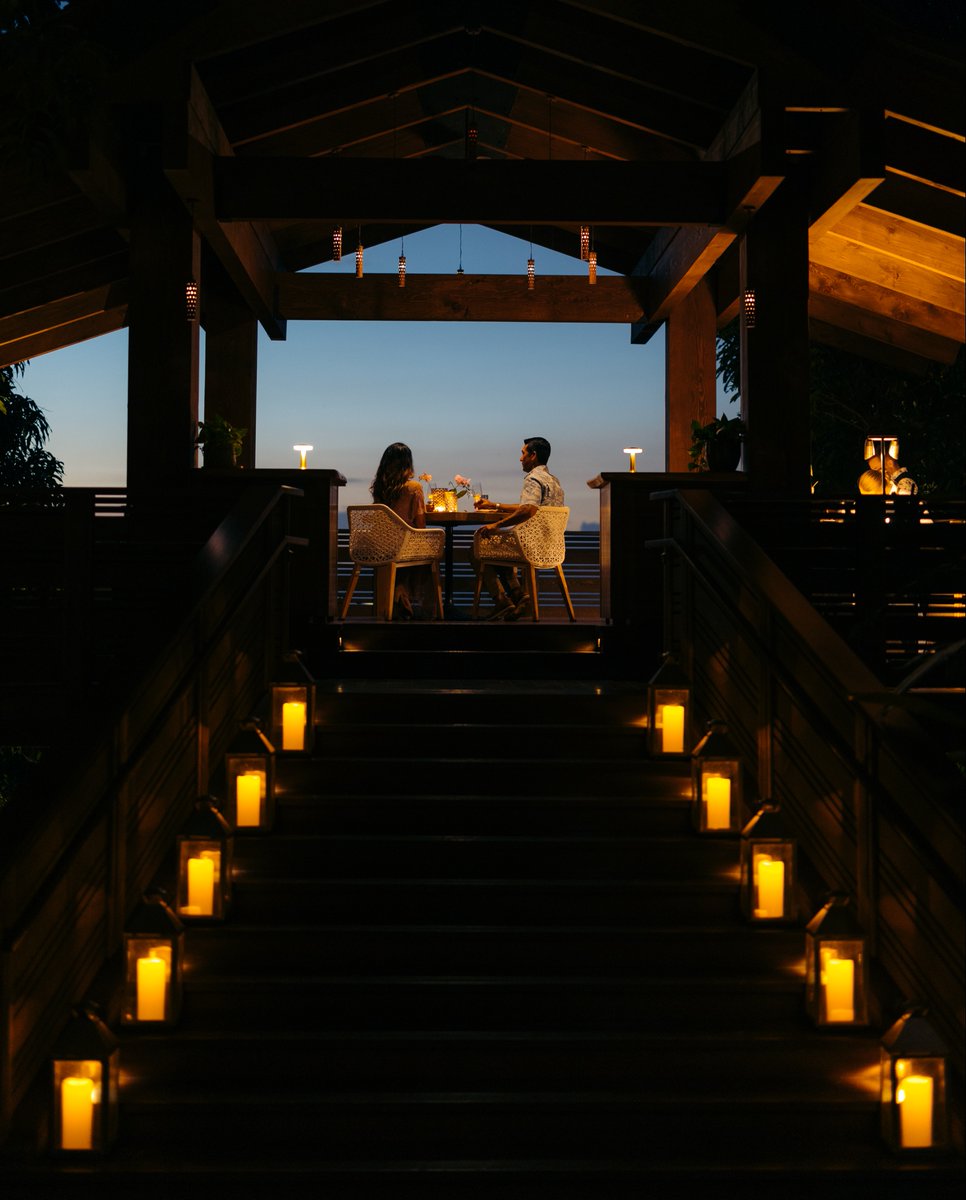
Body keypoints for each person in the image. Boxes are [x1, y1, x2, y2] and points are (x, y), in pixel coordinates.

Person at [474, 435, 564, 620]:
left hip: (530, 545)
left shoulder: (533, 479)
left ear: (533, 455)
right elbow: (530, 506)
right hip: (551, 545)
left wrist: (496, 524)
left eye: (523, 453)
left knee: (477, 547)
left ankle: (502, 601)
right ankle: (520, 598)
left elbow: (528, 510)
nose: (520, 458)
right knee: (497, 547)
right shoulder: (553, 480)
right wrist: (495, 506)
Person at [370, 441, 433, 619]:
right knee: (428, 553)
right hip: (404, 547)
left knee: (405, 551)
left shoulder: (379, 488)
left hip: (381, 547)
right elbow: (420, 526)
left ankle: (400, 598)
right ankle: (427, 610)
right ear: (408, 463)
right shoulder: (414, 488)